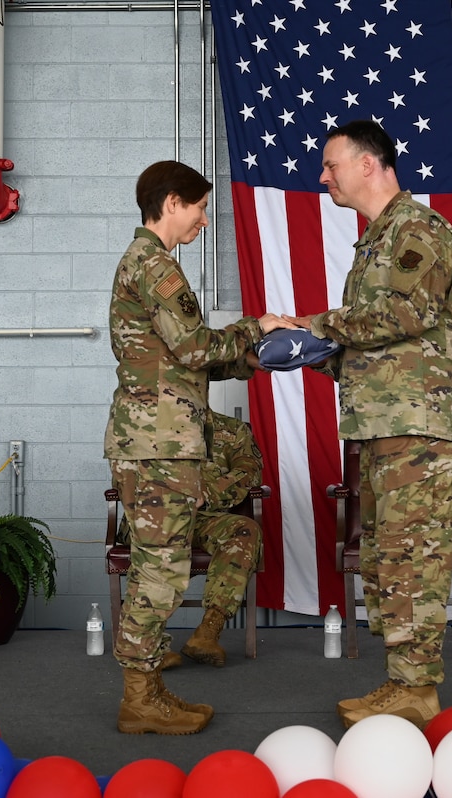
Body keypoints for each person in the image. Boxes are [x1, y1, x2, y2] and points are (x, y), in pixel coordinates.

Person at [287, 120, 452, 729]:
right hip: (384, 423)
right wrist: (301, 348)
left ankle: (417, 690)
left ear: (369, 164)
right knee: (387, 557)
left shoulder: (418, 229)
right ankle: (402, 683)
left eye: (330, 163)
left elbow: (407, 312)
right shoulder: (376, 242)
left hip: (416, 427)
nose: (323, 176)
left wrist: (318, 325)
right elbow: (370, 345)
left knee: (412, 556)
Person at [104, 160, 292, 735]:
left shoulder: (147, 263)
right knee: (161, 571)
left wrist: (253, 358)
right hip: (160, 444)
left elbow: (184, 353)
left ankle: (149, 689)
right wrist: (257, 326)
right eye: (200, 207)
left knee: (158, 566)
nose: (204, 221)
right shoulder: (156, 266)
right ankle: (139, 697)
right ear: (171, 203)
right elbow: (192, 345)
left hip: (158, 439)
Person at [152, 408, 264, 670]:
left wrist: (206, 492)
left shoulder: (233, 430)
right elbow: (127, 475)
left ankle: (207, 633)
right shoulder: (151, 425)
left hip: (207, 516)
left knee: (245, 529)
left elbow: (249, 471)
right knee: (161, 538)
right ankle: (150, 642)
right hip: (157, 516)